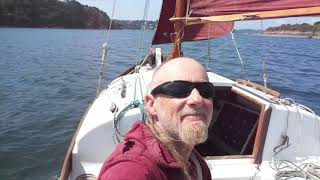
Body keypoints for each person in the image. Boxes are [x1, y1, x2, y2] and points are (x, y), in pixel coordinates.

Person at [98, 57, 214, 180]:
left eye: (205, 90)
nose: (198, 99)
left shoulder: (195, 162)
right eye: (179, 89)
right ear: (152, 105)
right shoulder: (131, 172)